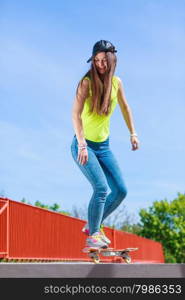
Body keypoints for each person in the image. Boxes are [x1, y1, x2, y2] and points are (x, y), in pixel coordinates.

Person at [71, 40, 139, 249]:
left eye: (104, 61)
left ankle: (93, 224)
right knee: (101, 188)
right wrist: (82, 144)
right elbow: (75, 114)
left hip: (104, 147)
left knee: (120, 190)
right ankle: (93, 234)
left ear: (112, 61)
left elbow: (126, 108)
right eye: (96, 61)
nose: (100, 65)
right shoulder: (86, 82)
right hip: (83, 145)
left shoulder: (117, 83)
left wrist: (133, 133)